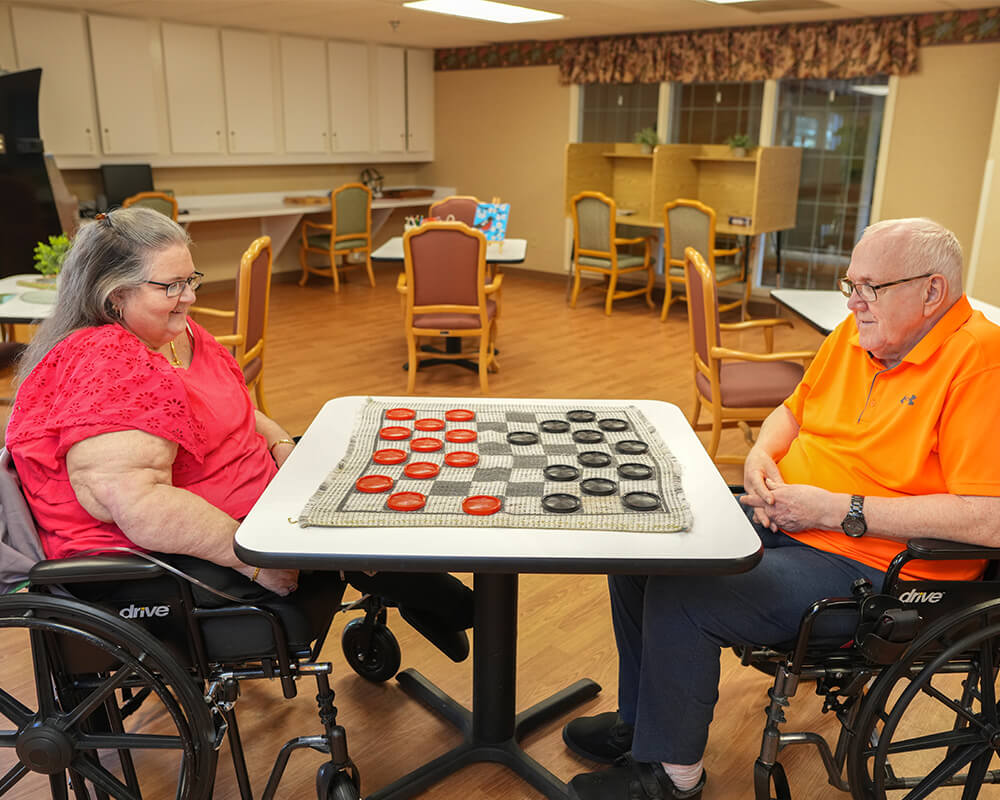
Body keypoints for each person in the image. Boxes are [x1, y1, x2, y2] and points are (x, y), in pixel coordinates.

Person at [563, 218, 1000, 800]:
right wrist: (762, 455)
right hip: (795, 515)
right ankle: (642, 724)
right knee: (647, 543)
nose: (856, 303)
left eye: (871, 287)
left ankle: (670, 776)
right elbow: (793, 411)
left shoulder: (979, 363)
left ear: (932, 292)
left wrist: (837, 510)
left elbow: (987, 518)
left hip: (882, 567)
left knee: (689, 590)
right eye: (851, 285)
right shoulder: (858, 334)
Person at [6, 207, 473, 660]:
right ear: (115, 297)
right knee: (352, 509)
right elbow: (140, 506)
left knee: (356, 459)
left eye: (190, 280)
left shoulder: (173, 332)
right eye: (171, 286)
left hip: (252, 499)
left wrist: (281, 444)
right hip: (178, 563)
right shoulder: (108, 362)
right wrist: (254, 559)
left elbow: (239, 408)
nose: (188, 296)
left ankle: (428, 596)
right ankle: (448, 604)